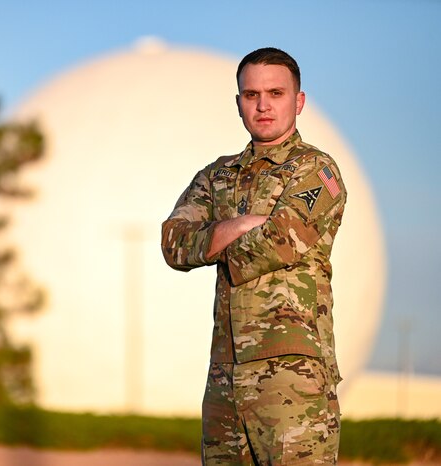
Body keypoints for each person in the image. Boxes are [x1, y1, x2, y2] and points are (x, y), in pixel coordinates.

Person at [161, 47, 347, 465]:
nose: (263, 105)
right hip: (224, 376)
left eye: (276, 93)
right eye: (251, 95)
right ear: (239, 103)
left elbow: (277, 243)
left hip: (290, 378)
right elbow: (173, 243)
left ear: (298, 101)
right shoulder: (217, 175)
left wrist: (209, 242)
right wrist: (238, 225)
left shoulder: (317, 170)